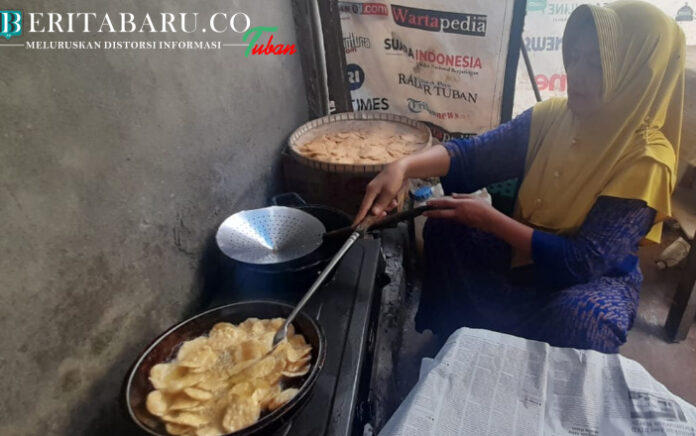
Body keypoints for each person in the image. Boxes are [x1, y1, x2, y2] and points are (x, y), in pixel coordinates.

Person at [354, 1, 686, 353]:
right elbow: (474, 153)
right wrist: (402, 167)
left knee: (585, 319)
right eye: (574, 56)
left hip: (592, 279)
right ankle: (457, 346)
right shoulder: (555, 115)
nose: (575, 71)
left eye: (596, 64)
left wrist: (490, 220)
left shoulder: (648, 159)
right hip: (523, 252)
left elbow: (582, 261)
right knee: (446, 224)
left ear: (638, 74)